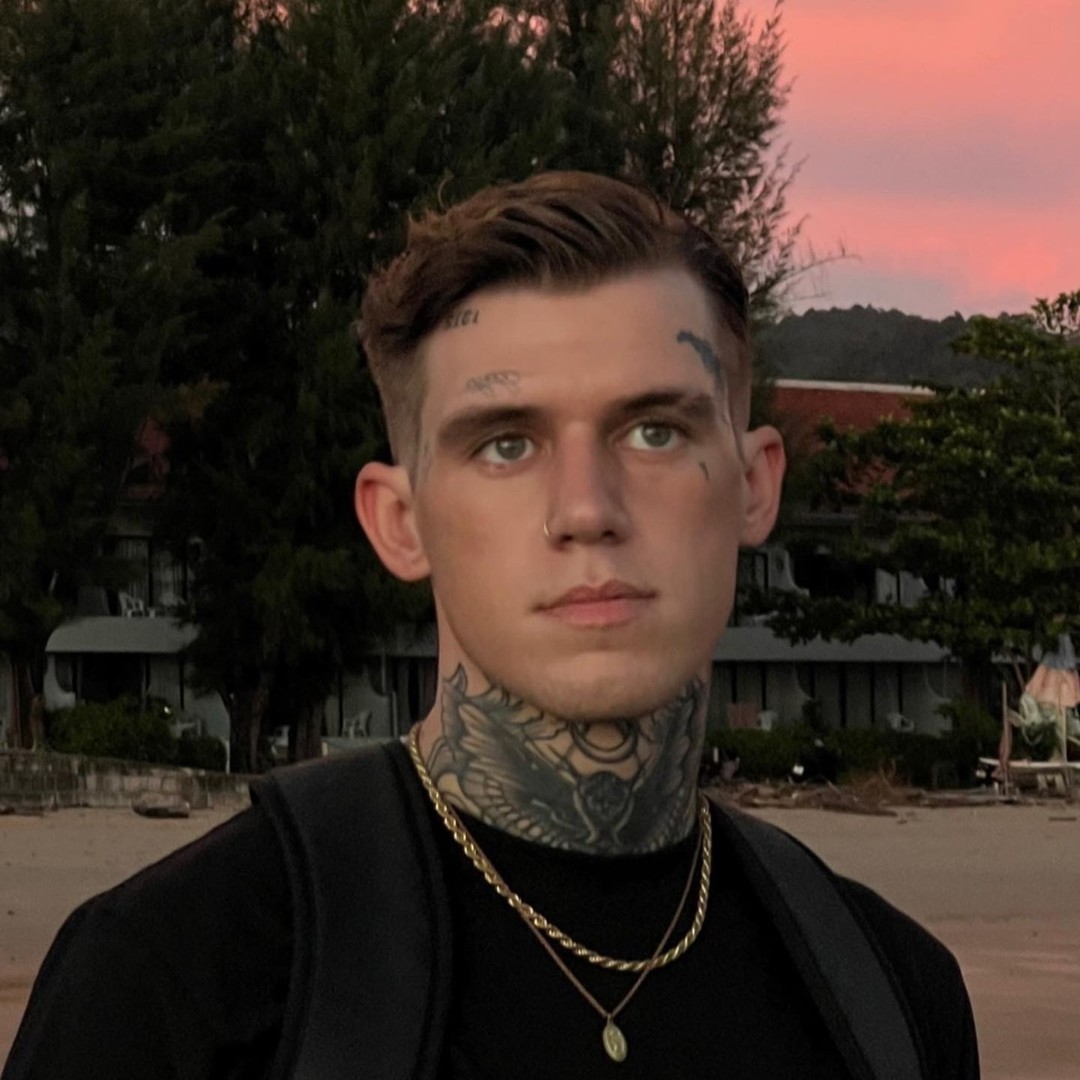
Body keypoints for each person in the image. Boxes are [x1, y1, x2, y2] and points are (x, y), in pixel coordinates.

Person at [3, 172, 980, 1079]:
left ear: (754, 484)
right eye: (506, 444)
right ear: (400, 521)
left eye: (655, 431)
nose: (586, 508)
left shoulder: (892, 996)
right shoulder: (177, 981)